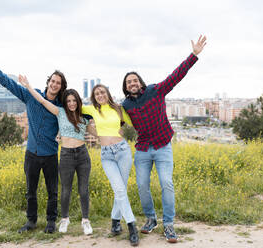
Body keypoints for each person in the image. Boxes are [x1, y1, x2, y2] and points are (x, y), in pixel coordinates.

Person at [121, 35, 207, 243]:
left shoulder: (155, 91)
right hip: (142, 149)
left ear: (140, 82)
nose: (132, 83)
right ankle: (151, 219)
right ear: (125, 87)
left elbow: (176, 76)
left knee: (166, 183)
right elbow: (112, 120)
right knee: (142, 185)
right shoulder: (126, 106)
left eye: (135, 80)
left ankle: (169, 224)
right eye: (128, 82)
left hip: (162, 146)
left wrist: (193, 55)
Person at [0, 56, 67, 234]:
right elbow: (10, 85)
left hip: (50, 155)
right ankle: (31, 221)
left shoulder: (60, 107)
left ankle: (51, 222)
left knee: (53, 191)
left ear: (61, 86)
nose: (54, 84)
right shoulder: (31, 95)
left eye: (58, 83)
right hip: (32, 154)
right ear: (48, 82)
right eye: (53, 81)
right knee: (30, 191)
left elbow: (77, 115)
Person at [18, 75, 95, 235]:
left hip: (79, 154)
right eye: (69, 101)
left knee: (80, 190)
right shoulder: (60, 112)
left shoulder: (84, 118)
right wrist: (28, 85)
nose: (72, 103)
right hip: (62, 154)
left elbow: (98, 132)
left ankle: (80, 221)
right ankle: (53, 220)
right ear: (65, 103)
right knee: (58, 190)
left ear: (79, 102)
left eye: (74, 101)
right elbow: (42, 100)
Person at [82, 84, 139, 246]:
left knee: (120, 189)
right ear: (94, 97)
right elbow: (73, 109)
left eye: (102, 92)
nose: (100, 95)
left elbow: (132, 123)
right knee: (119, 189)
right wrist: (98, 135)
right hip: (106, 155)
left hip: (123, 151)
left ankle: (115, 222)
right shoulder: (92, 109)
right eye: (97, 93)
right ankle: (132, 227)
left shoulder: (118, 108)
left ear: (108, 94)